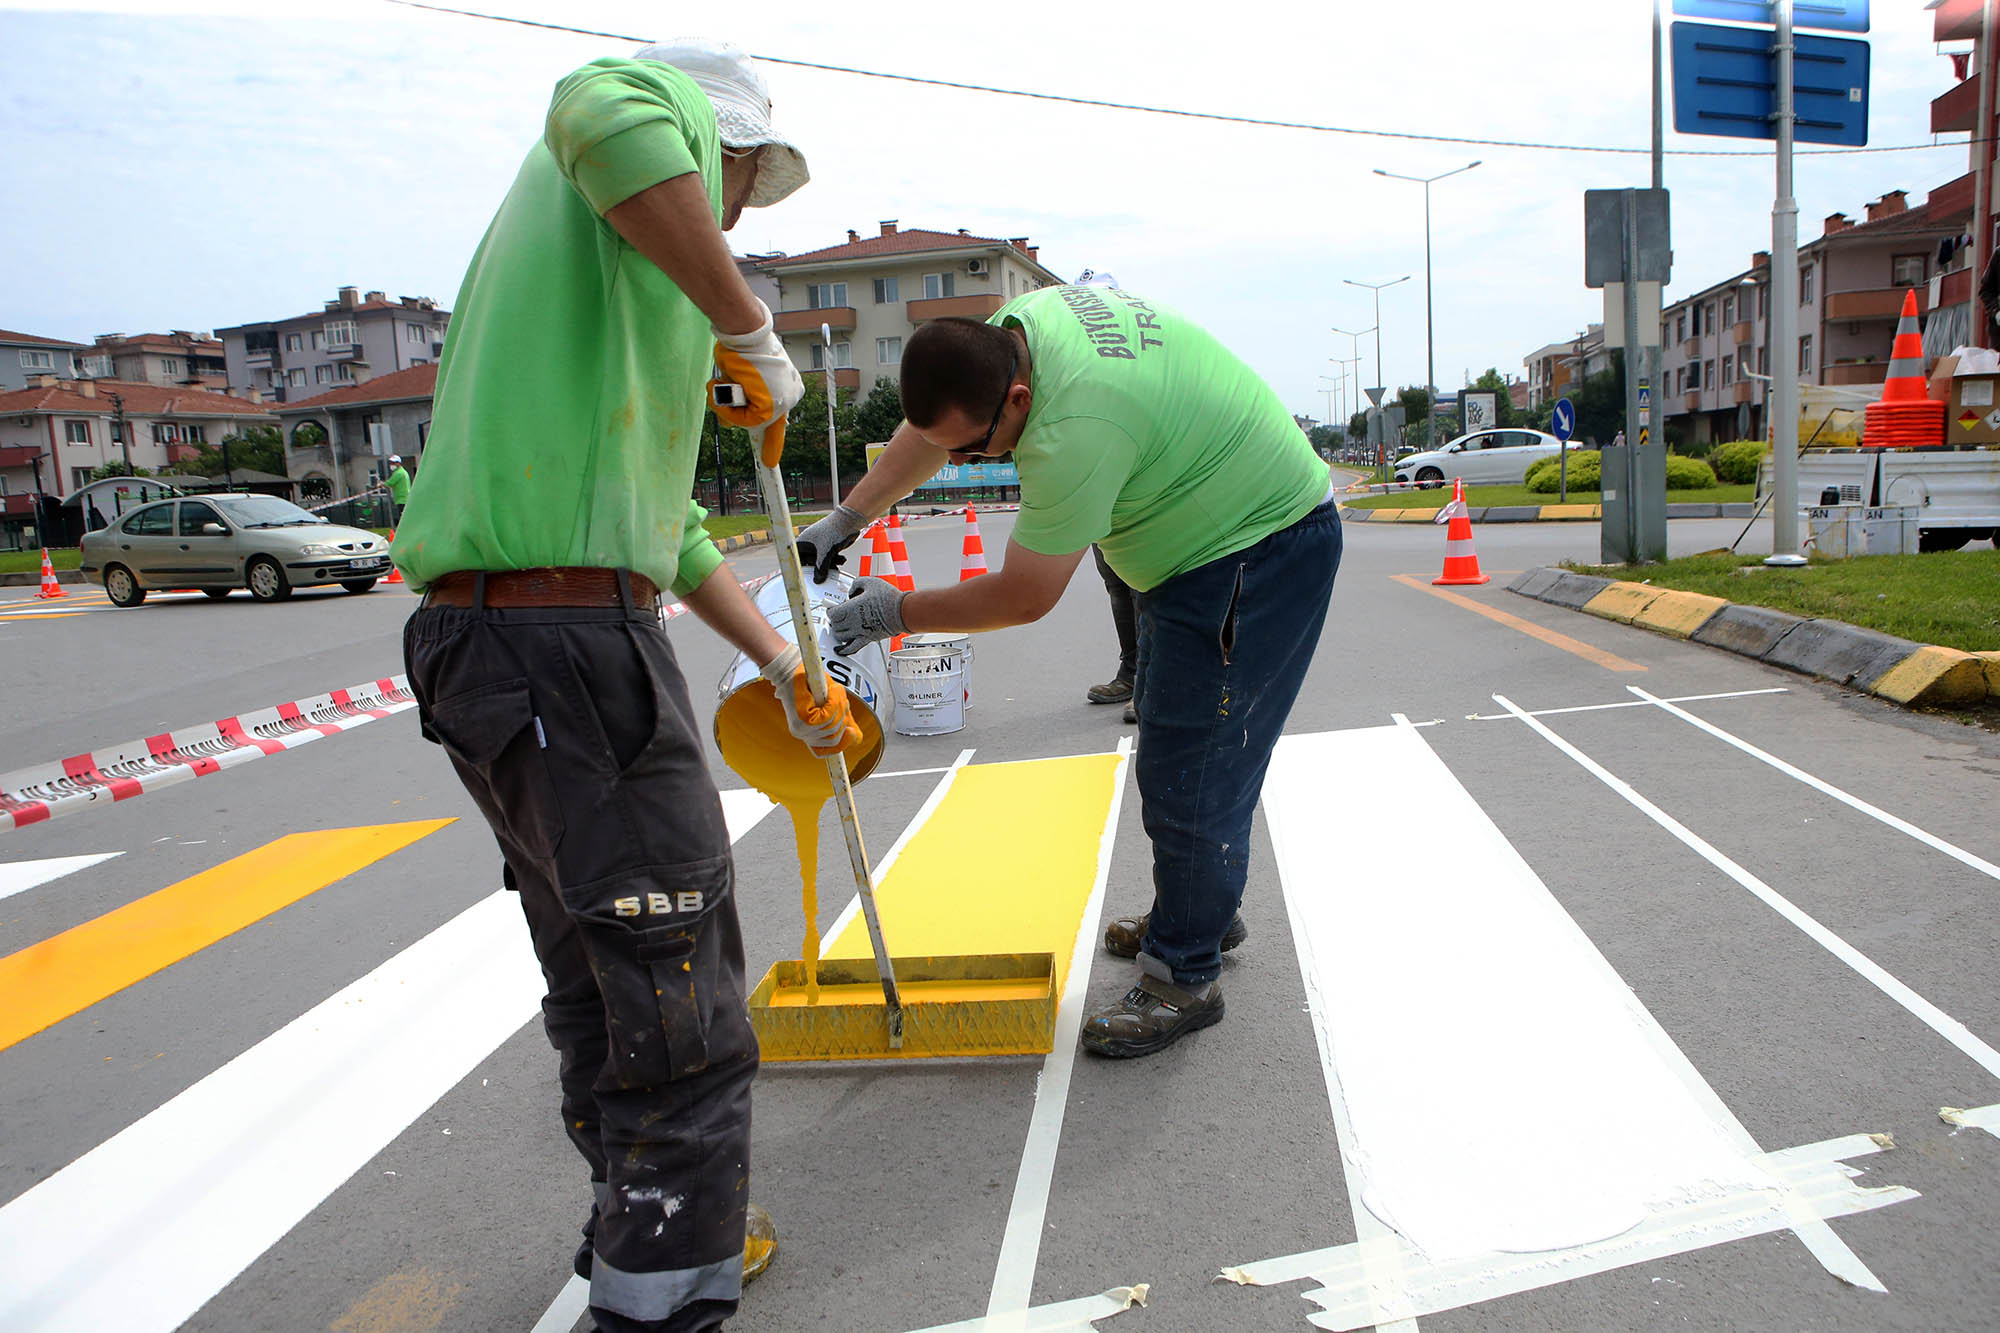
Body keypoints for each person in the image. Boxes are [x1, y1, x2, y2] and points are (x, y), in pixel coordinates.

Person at [392, 39, 861, 1333]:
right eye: (742, 184)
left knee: (604, 969)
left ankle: (636, 1235)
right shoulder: (614, 142)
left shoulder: (622, 290)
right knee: (676, 993)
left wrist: (783, 661)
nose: (734, 218)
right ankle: (661, 1303)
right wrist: (749, 318)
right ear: (723, 147)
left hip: (503, 644)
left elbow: (673, 535)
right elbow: (597, 99)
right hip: (565, 646)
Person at [800, 287, 1340, 1060]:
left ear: (1017, 399)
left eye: (973, 449)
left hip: (1254, 550)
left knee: (1192, 762)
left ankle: (1184, 972)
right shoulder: (1014, 338)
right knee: (1183, 741)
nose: (960, 463)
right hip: (1198, 543)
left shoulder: (1076, 424)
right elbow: (928, 433)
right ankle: (1201, 914)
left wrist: (893, 613)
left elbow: (1023, 596)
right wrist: (847, 517)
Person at [384, 453, 411, 524]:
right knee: (405, 518)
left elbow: (389, 483)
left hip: (402, 499)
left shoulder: (399, 473)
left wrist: (380, 484)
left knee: (403, 519)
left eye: (393, 463)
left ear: (398, 463)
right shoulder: (403, 472)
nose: (391, 464)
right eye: (391, 463)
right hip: (404, 498)